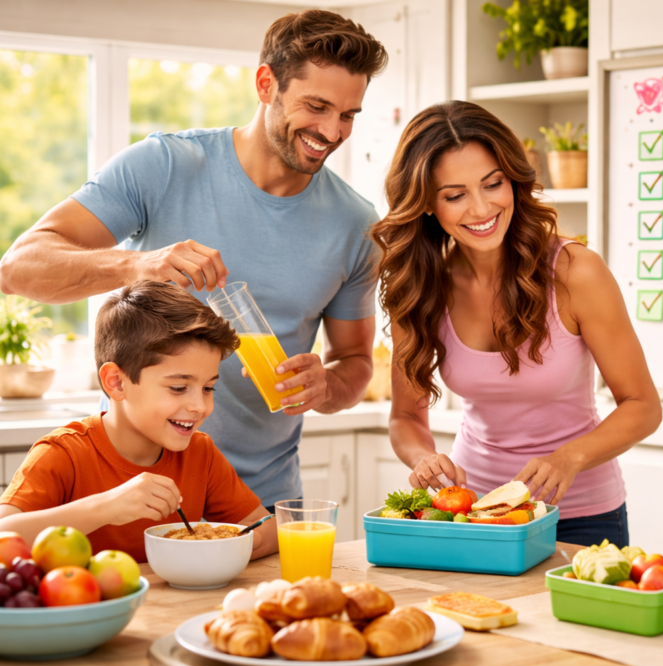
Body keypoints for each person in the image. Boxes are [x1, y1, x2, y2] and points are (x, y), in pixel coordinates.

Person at [0, 10, 388, 510]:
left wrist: (327, 385)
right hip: (132, 497)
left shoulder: (354, 223)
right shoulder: (163, 166)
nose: (332, 131)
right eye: (317, 106)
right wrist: (136, 266)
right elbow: (18, 268)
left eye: (348, 115)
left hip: (260, 504)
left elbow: (354, 361)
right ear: (266, 83)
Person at [372, 101, 662, 547]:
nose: (482, 207)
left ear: (513, 180)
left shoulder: (575, 272)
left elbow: (642, 405)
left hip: (581, 513)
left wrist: (568, 459)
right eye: (455, 195)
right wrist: (424, 458)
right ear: (427, 205)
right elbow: (406, 418)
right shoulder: (421, 286)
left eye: (493, 184)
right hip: (475, 511)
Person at [0, 282, 277, 563]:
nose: (200, 406)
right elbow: (3, 537)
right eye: (179, 388)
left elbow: (268, 527)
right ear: (117, 382)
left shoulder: (200, 454)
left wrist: (239, 544)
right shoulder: (62, 454)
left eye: (208, 388)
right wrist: (106, 507)